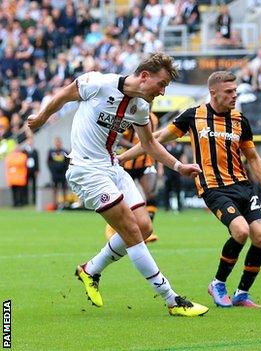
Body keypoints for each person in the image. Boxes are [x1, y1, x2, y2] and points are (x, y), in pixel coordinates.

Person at [26, 53, 209, 316]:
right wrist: (42, 117)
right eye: (162, 84)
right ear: (145, 76)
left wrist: (179, 166)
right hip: (87, 170)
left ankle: (90, 270)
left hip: (113, 168)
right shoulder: (98, 83)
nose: (162, 91)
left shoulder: (141, 107)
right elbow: (65, 94)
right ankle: (172, 300)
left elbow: (149, 144)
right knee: (132, 232)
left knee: (145, 227)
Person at [119, 71, 261, 308]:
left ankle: (242, 293)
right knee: (240, 231)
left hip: (243, 186)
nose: (234, 95)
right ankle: (218, 283)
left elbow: (253, 157)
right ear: (213, 92)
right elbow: (155, 140)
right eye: (229, 92)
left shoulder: (239, 120)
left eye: (235, 91)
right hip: (213, 187)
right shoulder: (194, 116)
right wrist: (123, 157)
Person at [104, 112, 160, 243]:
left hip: (147, 163)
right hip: (127, 164)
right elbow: (119, 138)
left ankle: (146, 231)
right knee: (120, 200)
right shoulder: (130, 117)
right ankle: (112, 228)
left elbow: (153, 141)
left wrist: (158, 162)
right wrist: (137, 147)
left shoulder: (153, 118)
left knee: (151, 194)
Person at [47, 136, 70, 209]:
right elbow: (48, 162)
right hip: (55, 174)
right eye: (56, 142)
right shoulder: (51, 152)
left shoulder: (64, 152)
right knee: (55, 189)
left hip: (63, 174)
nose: (58, 144)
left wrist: (65, 170)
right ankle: (55, 204)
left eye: (59, 142)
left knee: (64, 189)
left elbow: (67, 161)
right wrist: (52, 171)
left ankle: (65, 204)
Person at [23, 137, 40, 205]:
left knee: (34, 186)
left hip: (33, 170)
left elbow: (37, 161)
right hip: (26, 170)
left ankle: (34, 200)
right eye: (28, 141)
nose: (30, 142)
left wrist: (37, 170)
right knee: (25, 186)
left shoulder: (35, 151)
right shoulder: (24, 151)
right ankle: (25, 200)